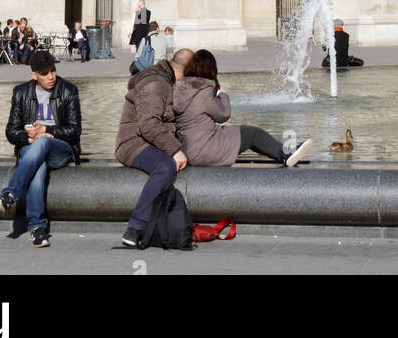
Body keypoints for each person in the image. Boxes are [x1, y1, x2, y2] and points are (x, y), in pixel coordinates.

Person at [0, 50, 81, 248]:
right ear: (34, 75)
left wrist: (49, 131)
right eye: (44, 73)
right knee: (37, 167)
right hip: (32, 148)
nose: (51, 77)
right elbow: (10, 132)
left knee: (42, 142)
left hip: (59, 148)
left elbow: (75, 130)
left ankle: (10, 194)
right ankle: (37, 230)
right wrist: (27, 136)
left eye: (53, 71)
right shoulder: (21, 93)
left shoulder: (69, 90)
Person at [174, 50, 313, 168]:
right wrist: (223, 94)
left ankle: (283, 153)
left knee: (237, 133)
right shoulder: (202, 90)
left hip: (186, 149)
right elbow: (224, 114)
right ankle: (285, 154)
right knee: (252, 133)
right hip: (205, 150)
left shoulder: (178, 88)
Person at [115, 47, 193, 249]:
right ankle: (135, 227)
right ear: (186, 71)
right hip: (132, 143)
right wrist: (175, 151)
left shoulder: (163, 80)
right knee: (165, 167)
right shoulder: (157, 85)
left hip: (144, 141)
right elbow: (149, 126)